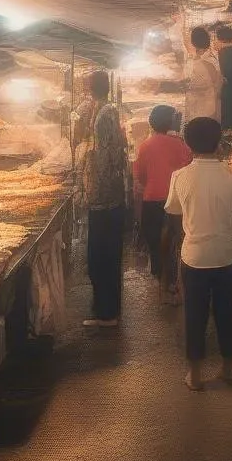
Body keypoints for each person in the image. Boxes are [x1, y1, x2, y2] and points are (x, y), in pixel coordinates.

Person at [165, 117, 232, 392]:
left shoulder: (180, 176)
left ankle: (195, 375)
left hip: (194, 256)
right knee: (226, 311)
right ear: (219, 142)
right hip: (227, 254)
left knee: (194, 314)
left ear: (188, 144)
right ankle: (229, 368)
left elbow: (174, 210)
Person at [82, 71, 128, 329]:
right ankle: (107, 310)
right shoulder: (104, 111)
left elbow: (107, 156)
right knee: (105, 256)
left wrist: (92, 183)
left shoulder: (103, 116)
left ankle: (107, 313)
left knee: (101, 256)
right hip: (107, 195)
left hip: (105, 198)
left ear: (91, 88)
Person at [133, 105, 193, 301]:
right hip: (176, 200)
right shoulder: (181, 145)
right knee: (175, 241)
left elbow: (140, 175)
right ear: (170, 122)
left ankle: (161, 280)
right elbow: (188, 168)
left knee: (156, 242)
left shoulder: (145, 146)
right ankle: (174, 284)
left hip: (152, 200)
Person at [156, 27, 222, 124]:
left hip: (203, 114)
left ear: (193, 44)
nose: (184, 41)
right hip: (205, 110)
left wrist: (163, 85)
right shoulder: (202, 60)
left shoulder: (202, 64)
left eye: (187, 39)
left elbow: (188, 85)